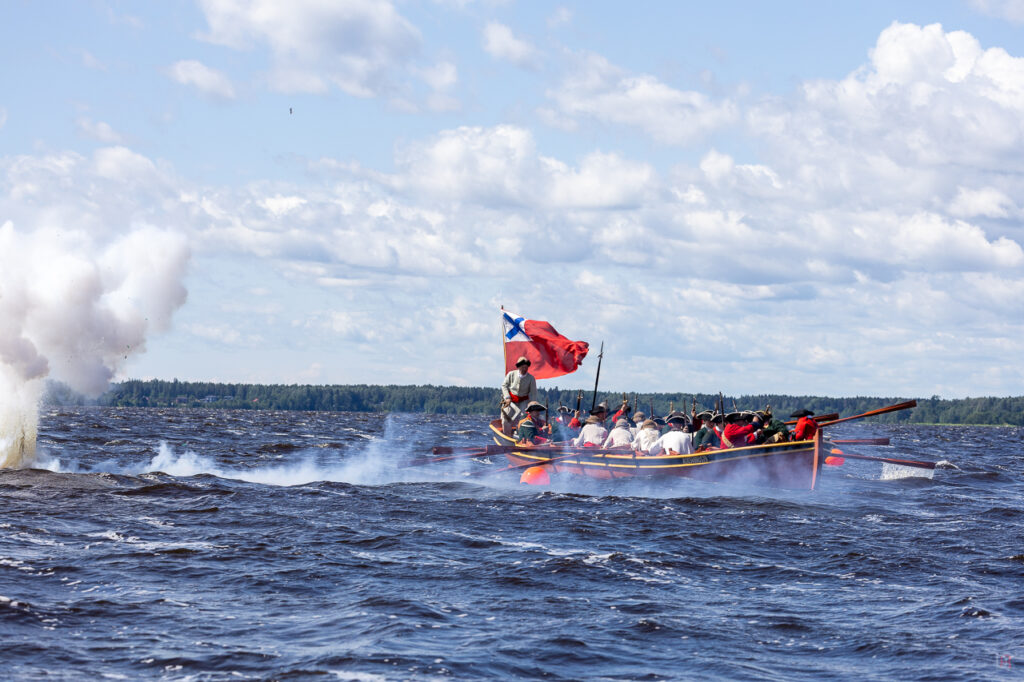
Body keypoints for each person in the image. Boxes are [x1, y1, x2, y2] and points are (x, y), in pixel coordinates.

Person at [500, 356, 537, 434]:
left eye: (526, 367)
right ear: (519, 367)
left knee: (524, 418)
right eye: (523, 367)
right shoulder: (511, 374)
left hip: (524, 401)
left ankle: (520, 436)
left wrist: (532, 404)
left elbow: (533, 393)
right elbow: (504, 386)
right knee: (505, 418)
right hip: (510, 400)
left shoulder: (531, 378)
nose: (524, 369)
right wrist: (507, 397)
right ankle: (507, 435)